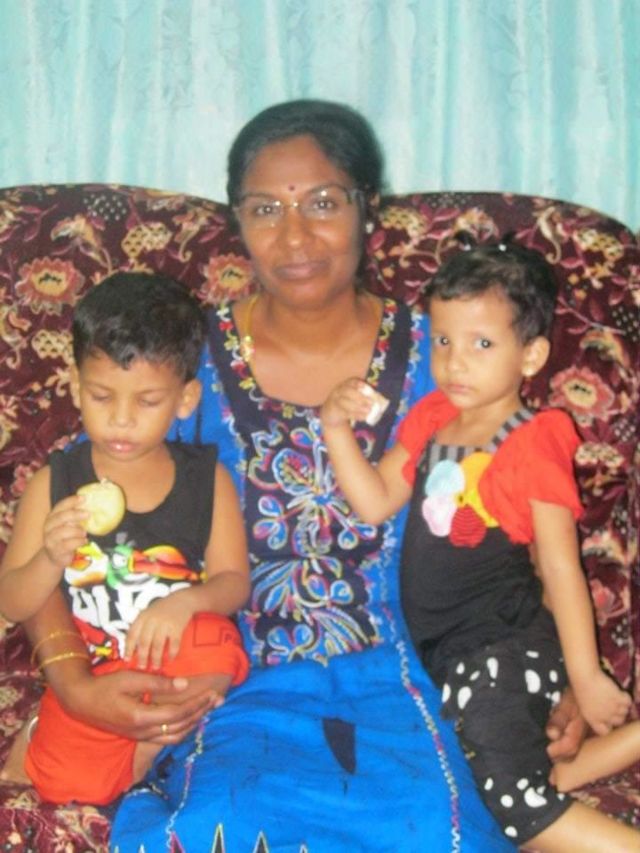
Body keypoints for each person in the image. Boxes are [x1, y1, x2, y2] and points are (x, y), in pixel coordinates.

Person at [16, 100, 590, 851]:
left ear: (366, 207)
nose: (294, 237)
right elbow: (59, 524)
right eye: (265, 208)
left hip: (420, 679)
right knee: (219, 829)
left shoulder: (449, 357)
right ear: (236, 220)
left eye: (322, 203)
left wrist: (560, 677)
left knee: (432, 831)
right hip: (230, 685)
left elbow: (528, 531)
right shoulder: (179, 367)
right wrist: (73, 684)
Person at [321, 240, 640, 850]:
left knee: (513, 811)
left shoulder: (532, 441)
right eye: (443, 340)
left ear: (531, 355)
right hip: (451, 655)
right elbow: (375, 500)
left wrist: (587, 676)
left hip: (504, 647)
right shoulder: (432, 417)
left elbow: (560, 568)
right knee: (486, 782)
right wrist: (334, 426)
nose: (455, 362)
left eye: (482, 344)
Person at [0, 273, 250, 805]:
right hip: (93, 673)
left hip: (175, 658)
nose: (120, 419)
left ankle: (145, 749)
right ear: (76, 386)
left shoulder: (207, 481)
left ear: (185, 399)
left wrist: (185, 603)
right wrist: (49, 557)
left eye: (147, 401)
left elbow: (234, 583)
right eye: (102, 396)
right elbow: (13, 600)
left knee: (218, 646)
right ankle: (83, 742)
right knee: (64, 783)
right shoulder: (54, 484)